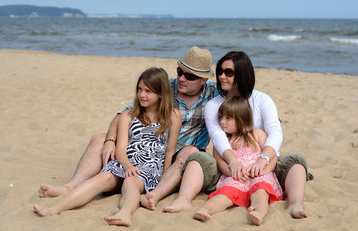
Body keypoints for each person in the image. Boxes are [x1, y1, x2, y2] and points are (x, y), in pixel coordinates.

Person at [37, 46, 218, 210]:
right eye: (180, 72)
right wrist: (109, 140)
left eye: (190, 76)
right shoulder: (164, 86)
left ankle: (155, 193)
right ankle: (70, 186)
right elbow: (126, 113)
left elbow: (239, 94)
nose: (182, 78)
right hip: (141, 146)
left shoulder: (214, 93)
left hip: (176, 154)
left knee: (190, 151)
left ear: (203, 80)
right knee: (98, 139)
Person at [163, 51, 313, 219]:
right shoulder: (214, 103)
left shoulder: (262, 100)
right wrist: (232, 164)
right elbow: (217, 135)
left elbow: (275, 132)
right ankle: (183, 200)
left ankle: (295, 205)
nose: (221, 76)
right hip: (228, 168)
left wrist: (263, 160)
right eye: (220, 71)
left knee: (297, 162)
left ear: (242, 74)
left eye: (229, 72)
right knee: (197, 158)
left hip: (262, 166)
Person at [33, 67, 182, 227]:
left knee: (131, 182)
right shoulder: (128, 115)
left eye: (148, 91)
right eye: (139, 89)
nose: (142, 95)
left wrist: (162, 182)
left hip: (150, 166)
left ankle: (125, 213)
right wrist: (127, 166)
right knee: (102, 178)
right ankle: (55, 208)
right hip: (126, 161)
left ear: (161, 93)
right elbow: (121, 148)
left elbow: (170, 151)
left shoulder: (173, 116)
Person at [193, 96, 283, 225]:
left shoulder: (256, 134)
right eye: (221, 117)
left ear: (242, 119)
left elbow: (273, 156)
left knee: (260, 192)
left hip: (259, 174)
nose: (222, 122)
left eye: (228, 118)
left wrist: (266, 171)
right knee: (225, 194)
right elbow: (221, 162)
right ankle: (206, 209)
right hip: (236, 176)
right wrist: (232, 174)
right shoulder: (223, 142)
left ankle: (259, 212)